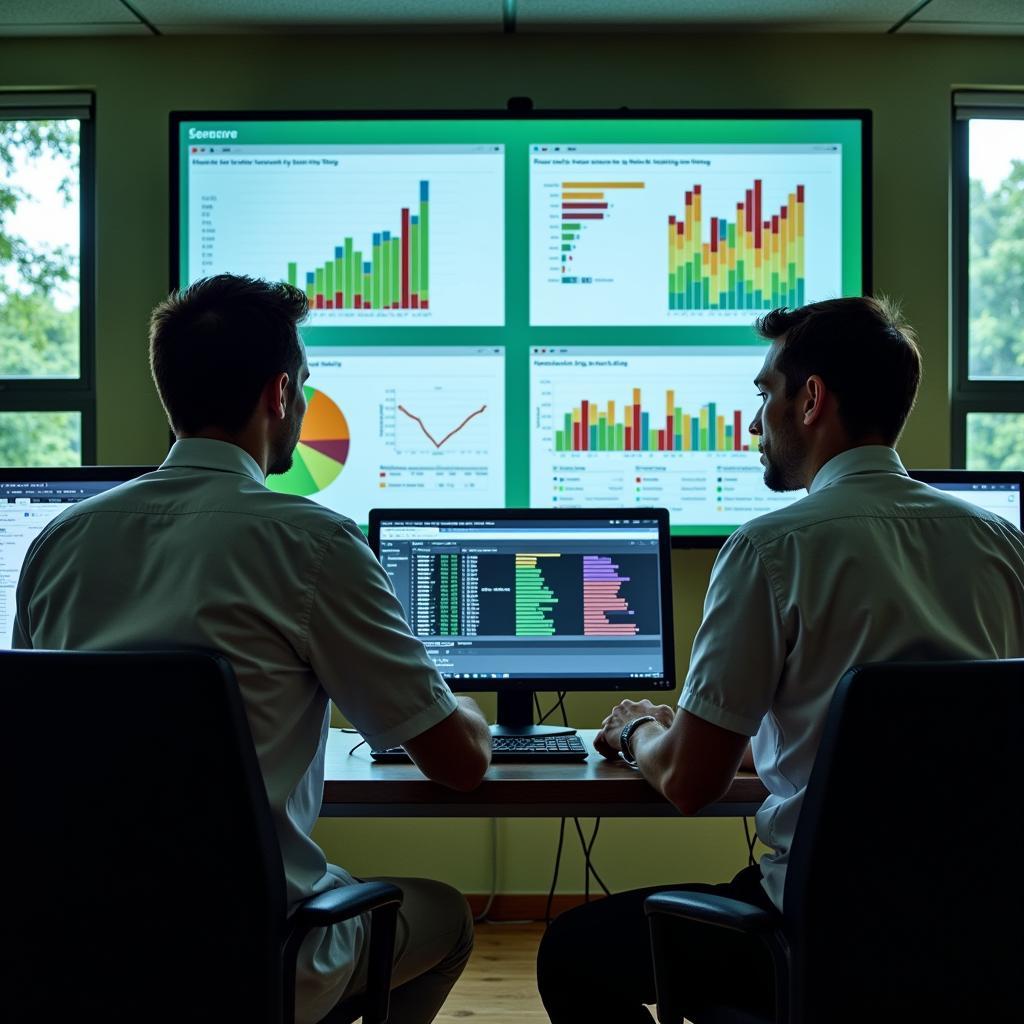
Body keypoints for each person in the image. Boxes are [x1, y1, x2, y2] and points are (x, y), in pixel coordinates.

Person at [13, 274, 493, 1024]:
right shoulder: (312, 542)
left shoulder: (60, 544)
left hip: (77, 953)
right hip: (257, 955)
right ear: (279, 394)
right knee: (447, 918)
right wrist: (456, 705)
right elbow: (460, 764)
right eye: (302, 385)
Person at [536, 296, 1024, 1023]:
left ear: (811, 400)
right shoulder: (1001, 546)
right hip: (984, 937)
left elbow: (690, 782)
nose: (754, 423)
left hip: (816, 936)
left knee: (572, 954)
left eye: (765, 394)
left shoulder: (772, 549)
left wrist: (637, 730)